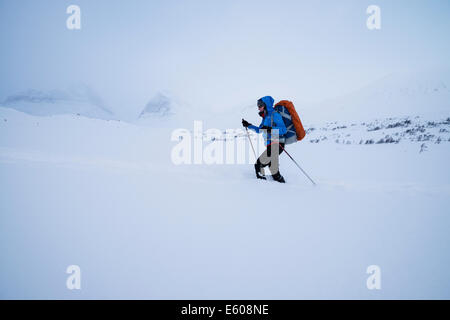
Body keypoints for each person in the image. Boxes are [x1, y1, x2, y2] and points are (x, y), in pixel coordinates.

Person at [242, 96, 287, 183]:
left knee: (259, 165)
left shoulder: (275, 115)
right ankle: (283, 187)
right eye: (258, 105)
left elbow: (283, 130)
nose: (258, 107)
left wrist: (271, 129)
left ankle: (261, 187)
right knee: (273, 169)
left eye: (260, 105)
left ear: (266, 105)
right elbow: (259, 130)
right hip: (270, 144)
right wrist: (248, 125)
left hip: (278, 143)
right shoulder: (265, 118)